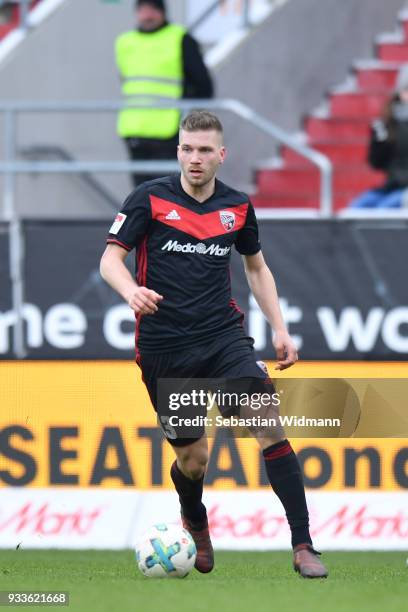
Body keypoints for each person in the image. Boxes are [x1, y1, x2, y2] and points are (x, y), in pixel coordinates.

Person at [100, 110, 328, 579]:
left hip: (223, 337)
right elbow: (110, 260)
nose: (195, 158)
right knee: (193, 458)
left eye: (205, 150)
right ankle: (196, 522)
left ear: (221, 155)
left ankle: (303, 544)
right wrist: (130, 292)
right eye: (187, 148)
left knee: (268, 425)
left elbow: (256, 268)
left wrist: (280, 328)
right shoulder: (149, 199)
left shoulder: (238, 207)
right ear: (178, 151)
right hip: (165, 347)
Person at [115, 0, 214, 187]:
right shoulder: (125, 42)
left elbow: (203, 86)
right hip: (134, 127)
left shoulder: (180, 38)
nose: (147, 15)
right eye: (143, 10)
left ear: (162, 12)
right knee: (141, 194)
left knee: (168, 191)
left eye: (153, 9)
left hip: (169, 128)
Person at [350, 64, 408, 208]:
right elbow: (376, 163)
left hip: (403, 191)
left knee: (384, 210)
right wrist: (380, 141)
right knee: (357, 208)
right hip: (393, 186)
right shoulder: (388, 122)